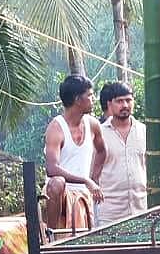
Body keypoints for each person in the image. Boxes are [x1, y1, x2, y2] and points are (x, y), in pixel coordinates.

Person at [44, 74, 106, 231]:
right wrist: (86, 180)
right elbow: (51, 169)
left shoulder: (92, 124)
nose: (94, 99)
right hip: (61, 194)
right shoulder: (56, 127)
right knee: (57, 182)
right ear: (78, 100)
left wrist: (94, 179)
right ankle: (50, 235)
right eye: (90, 95)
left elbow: (102, 151)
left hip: (82, 195)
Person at [92, 82, 147, 225]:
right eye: (120, 101)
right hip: (109, 213)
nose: (125, 105)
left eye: (128, 100)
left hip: (142, 209)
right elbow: (93, 173)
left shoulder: (144, 131)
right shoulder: (99, 134)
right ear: (110, 104)